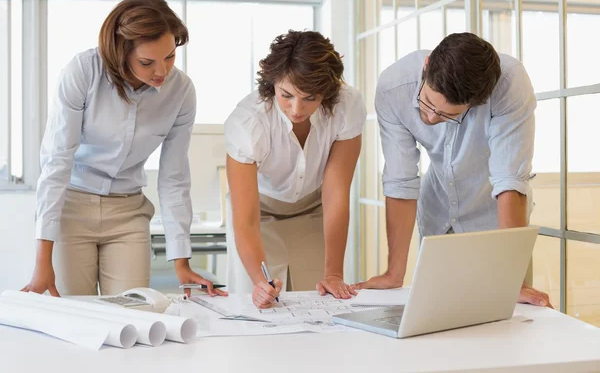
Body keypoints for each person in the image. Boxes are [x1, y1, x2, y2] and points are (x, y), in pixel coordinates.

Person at [21, 0, 225, 297]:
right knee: (74, 318)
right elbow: (57, 162)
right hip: (72, 207)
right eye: (147, 62)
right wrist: (42, 261)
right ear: (120, 52)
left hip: (128, 212)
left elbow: (174, 176)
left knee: (133, 317)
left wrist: (181, 261)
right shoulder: (83, 71)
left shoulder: (181, 91)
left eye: (169, 57)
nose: (162, 71)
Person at [353, 32, 552, 308]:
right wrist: (393, 273)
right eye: (427, 102)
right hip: (437, 217)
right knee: (435, 319)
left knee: (503, 325)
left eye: (449, 115)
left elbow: (510, 180)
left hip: (497, 222)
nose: (431, 117)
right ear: (426, 65)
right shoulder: (393, 87)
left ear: (477, 102)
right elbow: (401, 181)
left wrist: (512, 278)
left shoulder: (510, 84)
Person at [224, 30, 366, 309]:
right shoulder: (248, 122)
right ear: (272, 82)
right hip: (259, 212)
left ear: (328, 90)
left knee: (318, 302)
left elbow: (336, 193)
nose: (297, 109)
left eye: (310, 97)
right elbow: (246, 221)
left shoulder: (347, 106)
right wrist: (259, 282)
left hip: (314, 206)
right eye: (286, 95)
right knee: (263, 301)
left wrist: (334, 274)